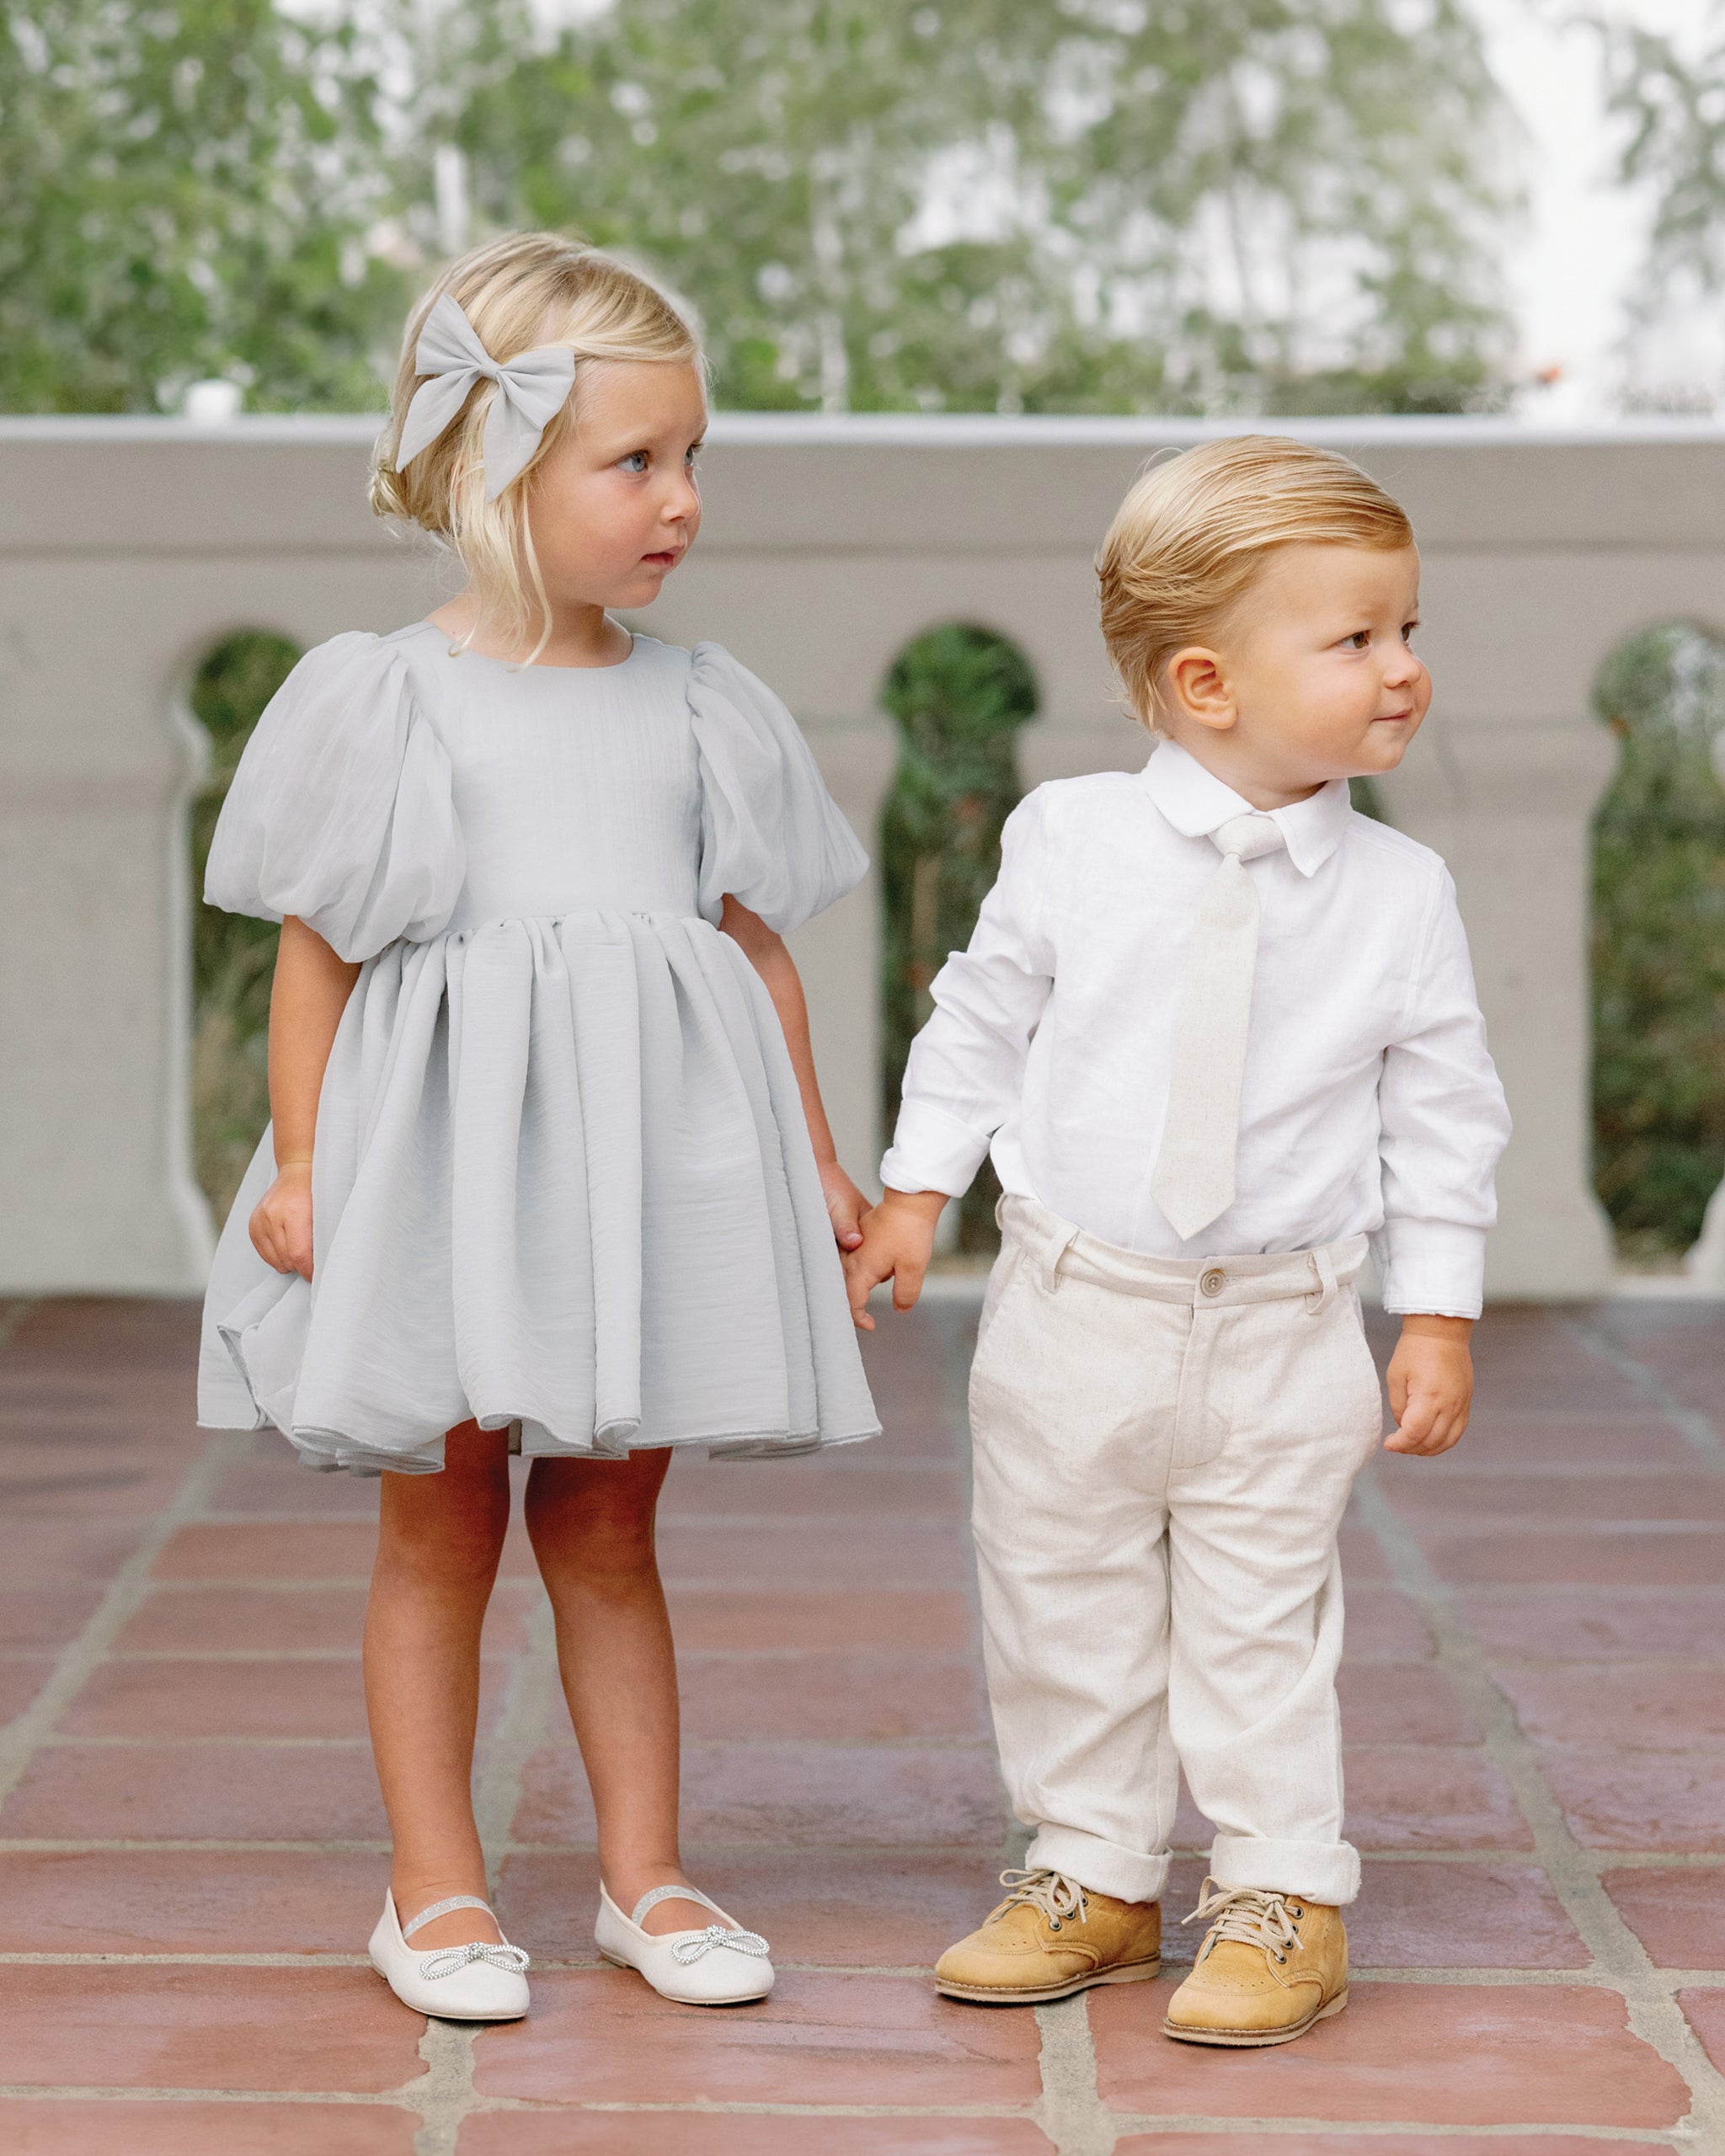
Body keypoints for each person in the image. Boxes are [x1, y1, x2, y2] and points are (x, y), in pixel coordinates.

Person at [197, 231, 879, 2022]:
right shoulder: (392, 695)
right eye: (634, 461)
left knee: (606, 1529)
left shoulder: (697, 700)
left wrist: (812, 1154)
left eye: (692, 456)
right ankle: (432, 1885)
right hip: (443, 1175)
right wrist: (304, 1162)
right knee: (439, 1531)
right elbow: (320, 954)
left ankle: (647, 1873)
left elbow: (753, 950)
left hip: (630, 1180)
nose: (682, 500)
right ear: (494, 469)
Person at [844, 436, 1510, 2049]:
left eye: (1408, 630)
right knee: (1059, 1598)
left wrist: (1437, 1312)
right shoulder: (1071, 838)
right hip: (1075, 1306)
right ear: (1206, 682)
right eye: (1355, 639)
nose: (1403, 668)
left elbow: (1443, 1113)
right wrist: (918, 1190)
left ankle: (1284, 1891)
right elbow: (983, 1019)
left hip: (1286, 1323)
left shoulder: (1401, 892)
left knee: (1259, 1619)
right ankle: (1093, 1870)